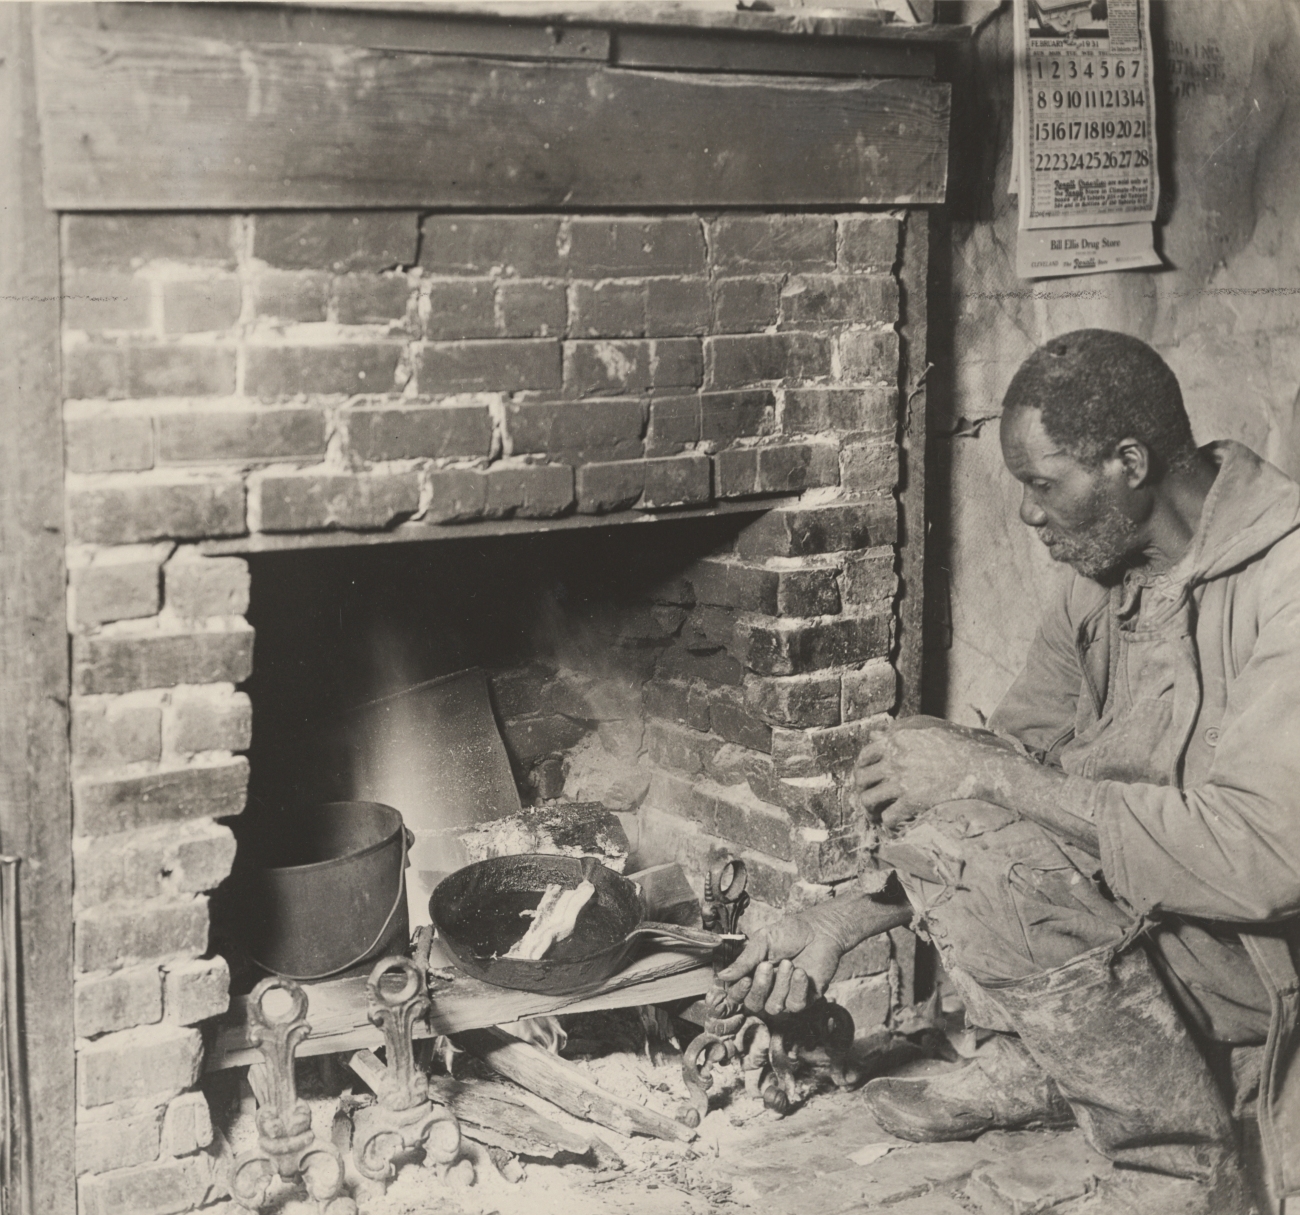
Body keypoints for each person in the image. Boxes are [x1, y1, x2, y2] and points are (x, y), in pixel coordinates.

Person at [714, 329, 1300, 1214]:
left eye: (1040, 483)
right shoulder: (1104, 569)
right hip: (1158, 916)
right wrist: (851, 914)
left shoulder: (1286, 579)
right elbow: (1009, 765)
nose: (1029, 515)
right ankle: (1055, 1056)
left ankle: (1183, 1174)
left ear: (1128, 463)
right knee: (923, 774)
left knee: (976, 793)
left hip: (1261, 954)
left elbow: (1263, 859)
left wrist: (989, 777)